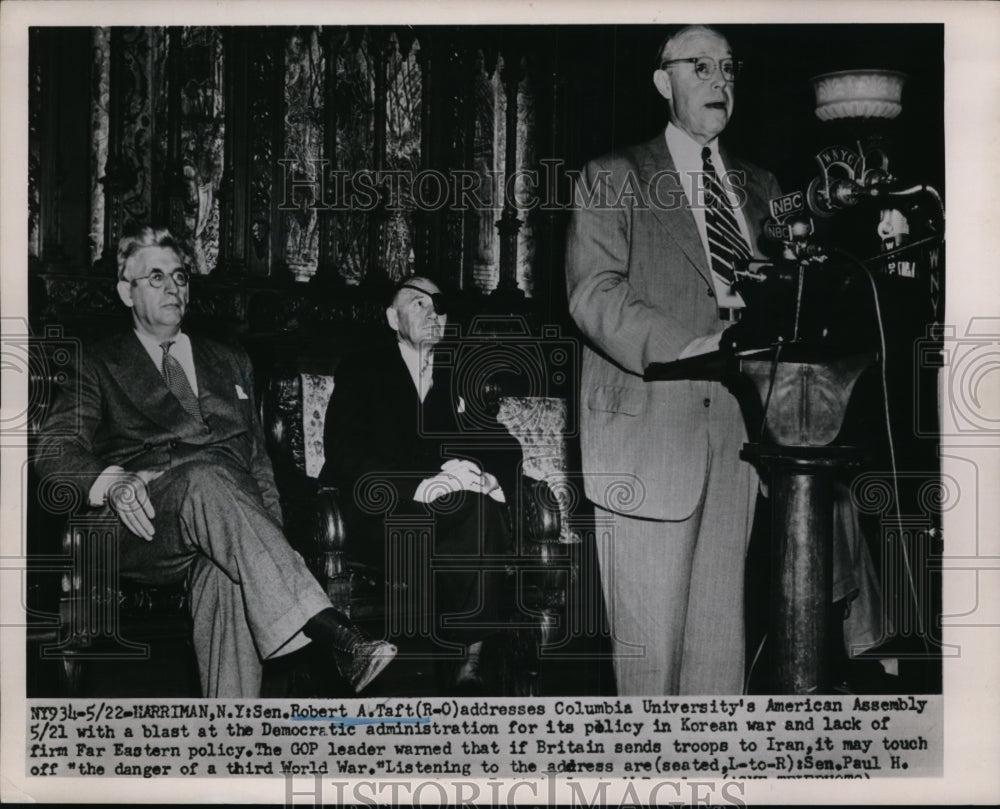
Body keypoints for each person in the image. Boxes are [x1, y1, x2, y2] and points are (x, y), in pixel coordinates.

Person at [35, 226, 396, 698]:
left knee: (228, 577)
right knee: (204, 479)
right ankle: (335, 634)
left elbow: (259, 461)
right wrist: (114, 480)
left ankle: (230, 739)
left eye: (180, 276)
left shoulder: (230, 359)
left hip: (225, 522)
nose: (173, 288)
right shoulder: (98, 364)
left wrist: (266, 539)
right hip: (143, 523)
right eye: (156, 277)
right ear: (126, 291)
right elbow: (53, 449)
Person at [565, 25, 783, 695]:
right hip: (648, 437)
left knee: (721, 661)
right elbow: (594, 294)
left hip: (739, 442)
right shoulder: (613, 176)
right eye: (701, 67)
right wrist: (694, 344)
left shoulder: (762, 187)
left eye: (729, 68)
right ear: (663, 82)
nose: (721, 82)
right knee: (651, 666)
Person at [320, 276, 522, 694]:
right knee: (473, 517)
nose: (434, 314)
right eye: (419, 305)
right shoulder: (362, 368)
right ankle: (467, 662)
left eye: (439, 306)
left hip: (447, 514)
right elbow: (345, 456)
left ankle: (467, 666)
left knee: (479, 510)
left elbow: (502, 446)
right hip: (377, 510)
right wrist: (423, 484)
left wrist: (484, 475)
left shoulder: (455, 376)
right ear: (393, 318)